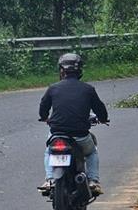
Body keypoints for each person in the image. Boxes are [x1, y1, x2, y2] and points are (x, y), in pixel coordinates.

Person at [38, 52, 109, 196]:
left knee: (49, 151)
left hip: (57, 134)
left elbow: (43, 108)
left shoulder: (53, 88)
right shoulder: (88, 89)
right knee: (91, 152)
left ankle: (50, 179)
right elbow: (100, 110)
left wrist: (45, 117)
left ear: (62, 70)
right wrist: (102, 119)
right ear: (79, 71)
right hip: (80, 136)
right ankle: (93, 181)